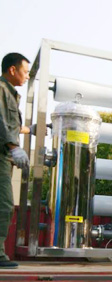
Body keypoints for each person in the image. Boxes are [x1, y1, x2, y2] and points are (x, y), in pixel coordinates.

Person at [0, 53, 31, 269]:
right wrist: (14, 148)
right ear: (12, 69)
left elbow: (11, 124)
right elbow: (1, 121)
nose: (27, 76)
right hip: (2, 154)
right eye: (25, 71)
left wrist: (31, 130)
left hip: (5, 157)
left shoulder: (9, 93)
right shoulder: (2, 89)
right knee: (4, 204)